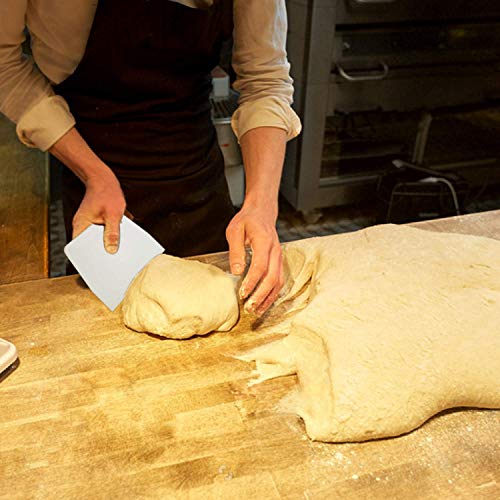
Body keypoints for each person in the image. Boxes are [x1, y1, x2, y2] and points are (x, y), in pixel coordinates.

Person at [0, 0, 301, 314]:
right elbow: (4, 63)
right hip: (94, 176)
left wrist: (262, 203)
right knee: (99, 325)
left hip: (195, 172)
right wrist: (93, 173)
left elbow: (265, 81)